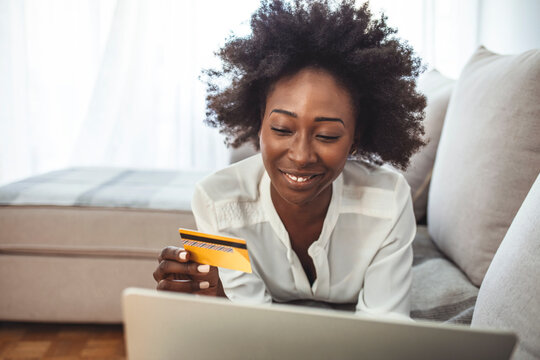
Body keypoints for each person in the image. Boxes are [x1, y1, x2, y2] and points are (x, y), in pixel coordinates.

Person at [153, 0, 426, 318]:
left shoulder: (388, 200)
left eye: (326, 135)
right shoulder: (217, 201)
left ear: (357, 136)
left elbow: (384, 327)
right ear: (260, 122)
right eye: (282, 128)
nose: (301, 155)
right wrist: (217, 298)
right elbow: (251, 319)